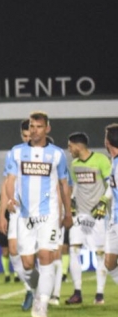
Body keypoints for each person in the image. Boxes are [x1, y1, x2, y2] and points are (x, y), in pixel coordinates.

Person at [0, 111, 72, 317]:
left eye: (39, 126)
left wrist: (68, 212)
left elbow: (64, 185)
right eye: (32, 126)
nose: (35, 130)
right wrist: (10, 199)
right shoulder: (16, 152)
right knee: (27, 264)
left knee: (46, 256)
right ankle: (36, 290)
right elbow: (10, 180)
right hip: (24, 216)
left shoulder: (57, 155)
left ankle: (42, 304)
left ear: (47, 129)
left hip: (48, 214)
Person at [64, 131, 112, 305]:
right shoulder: (74, 164)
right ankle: (77, 292)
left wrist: (103, 201)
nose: (69, 150)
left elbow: (111, 184)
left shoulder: (101, 160)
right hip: (80, 214)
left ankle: (99, 294)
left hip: (97, 215)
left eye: (70, 146)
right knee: (74, 249)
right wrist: (72, 200)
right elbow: (76, 186)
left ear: (78, 146)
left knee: (100, 253)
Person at [3, 120, 35, 308]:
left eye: (30, 135)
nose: (28, 138)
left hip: (39, 211)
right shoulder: (14, 153)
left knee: (37, 255)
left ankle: (48, 290)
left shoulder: (46, 153)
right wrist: (3, 211)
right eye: (25, 135)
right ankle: (30, 288)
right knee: (14, 250)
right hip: (17, 209)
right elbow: (7, 181)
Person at [101, 124, 118, 294]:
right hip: (114, 221)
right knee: (109, 263)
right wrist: (104, 199)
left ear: (108, 141)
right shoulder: (113, 161)